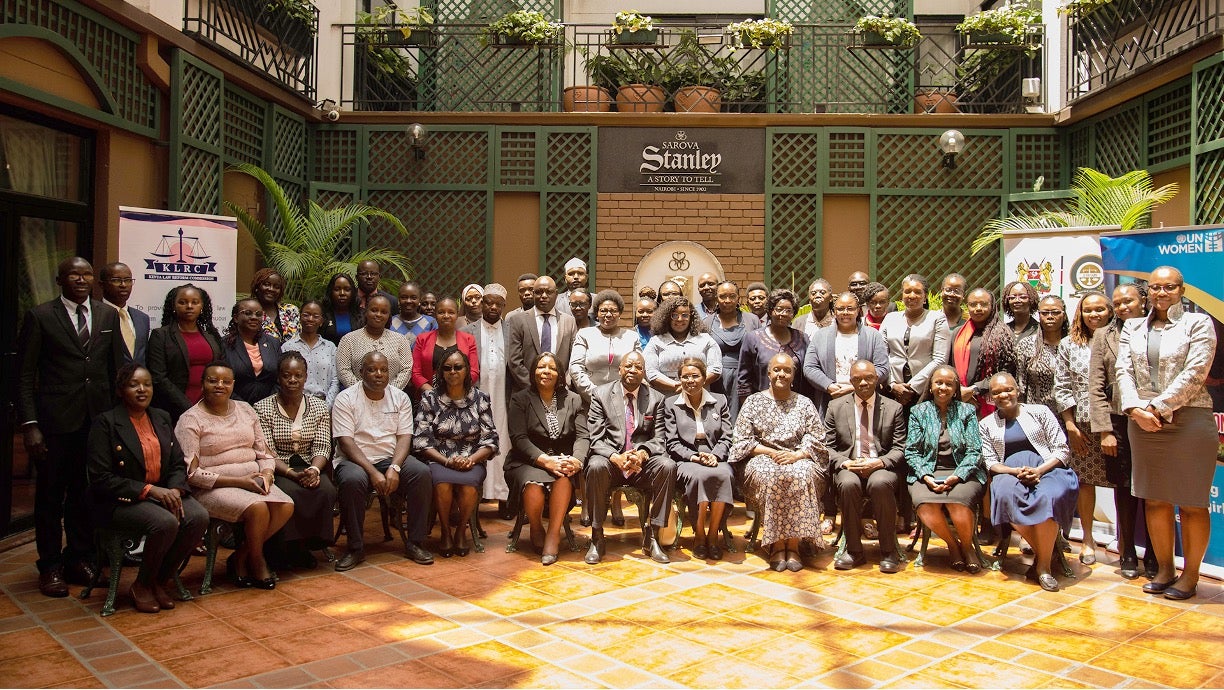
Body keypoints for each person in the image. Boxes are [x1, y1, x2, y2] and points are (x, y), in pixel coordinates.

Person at [18, 257, 124, 596]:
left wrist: (117, 420)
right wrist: (30, 424)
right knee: (50, 496)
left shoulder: (107, 314)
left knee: (85, 493)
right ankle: (49, 566)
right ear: (60, 279)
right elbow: (24, 376)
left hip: (96, 422)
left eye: (86, 274)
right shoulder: (41, 316)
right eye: (73, 274)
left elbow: (114, 369)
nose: (81, 279)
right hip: (54, 423)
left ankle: (79, 557)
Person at [1116, 266, 1217, 599]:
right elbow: (1123, 372)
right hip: (1142, 422)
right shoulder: (1132, 326)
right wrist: (1134, 409)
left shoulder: (1198, 323)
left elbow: (1196, 371)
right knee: (1155, 500)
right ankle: (1164, 569)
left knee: (1191, 504)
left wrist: (1157, 407)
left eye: (1169, 287)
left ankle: (1190, 576)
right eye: (1155, 287)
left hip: (1188, 420)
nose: (1161, 293)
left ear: (1182, 290)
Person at [86, 364, 209, 612]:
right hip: (120, 500)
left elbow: (176, 462)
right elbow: (101, 478)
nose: (142, 390)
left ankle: (159, 580)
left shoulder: (161, 417)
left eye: (148, 384)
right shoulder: (106, 423)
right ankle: (141, 585)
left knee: (198, 516)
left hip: (163, 492)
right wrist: (150, 491)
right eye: (134, 385)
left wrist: (175, 489)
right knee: (164, 522)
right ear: (121, 390)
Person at [175, 361, 294, 589]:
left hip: (253, 481)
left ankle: (240, 556)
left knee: (285, 505)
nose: (220, 385)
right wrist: (240, 482)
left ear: (233, 385)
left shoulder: (246, 409)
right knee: (258, 508)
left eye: (226, 381)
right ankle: (256, 561)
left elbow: (264, 452)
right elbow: (191, 474)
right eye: (213, 381)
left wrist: (267, 474)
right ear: (202, 384)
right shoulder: (190, 420)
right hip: (213, 487)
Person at [331, 352, 434, 570]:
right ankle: (355, 548)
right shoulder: (346, 398)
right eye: (372, 369)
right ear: (361, 373)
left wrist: (395, 467)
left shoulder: (400, 397)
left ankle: (415, 542)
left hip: (390, 458)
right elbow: (346, 442)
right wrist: (372, 472)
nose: (379, 374)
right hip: (355, 460)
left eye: (384, 370)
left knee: (421, 473)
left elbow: (405, 437)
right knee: (352, 480)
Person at [731, 353, 831, 572]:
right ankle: (776, 545)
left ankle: (793, 545)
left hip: (798, 456)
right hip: (762, 458)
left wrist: (797, 455)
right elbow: (741, 440)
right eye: (777, 369)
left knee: (802, 474)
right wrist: (769, 452)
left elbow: (817, 439)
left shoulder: (804, 403)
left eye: (787, 370)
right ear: (769, 373)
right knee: (771, 475)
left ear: (793, 375)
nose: (781, 374)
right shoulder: (753, 402)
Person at [980, 372, 1079, 592]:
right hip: (1009, 473)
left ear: (1018, 390)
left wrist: (1039, 470)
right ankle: (1048, 551)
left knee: (1048, 496)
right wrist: (1014, 471)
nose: (1003, 395)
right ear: (990, 398)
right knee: (1005, 496)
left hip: (1048, 468)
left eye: (1008, 389)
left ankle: (1043, 567)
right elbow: (989, 461)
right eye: (996, 392)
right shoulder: (986, 424)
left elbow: (1061, 449)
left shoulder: (1040, 412)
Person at [1087, 283, 1155, 579]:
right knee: (1124, 489)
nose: (1123, 306)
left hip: (1155, 420)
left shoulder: (1158, 331)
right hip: (1119, 422)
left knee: (1155, 489)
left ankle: (1155, 553)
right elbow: (1096, 386)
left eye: (1128, 301)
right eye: (1118, 302)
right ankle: (1128, 551)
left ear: (1143, 300)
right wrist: (1105, 430)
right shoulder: (1104, 336)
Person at [584, 352, 676, 565]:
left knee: (667, 465)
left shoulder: (656, 398)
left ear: (643, 372)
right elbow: (596, 438)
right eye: (628, 366)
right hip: (612, 463)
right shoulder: (601, 394)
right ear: (620, 369)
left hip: (640, 464)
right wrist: (615, 457)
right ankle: (597, 536)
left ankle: (654, 535)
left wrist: (642, 454)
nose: (633, 370)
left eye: (638, 367)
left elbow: (659, 439)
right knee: (595, 465)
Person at [253, 352, 339, 570]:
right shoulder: (262, 407)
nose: (292, 380)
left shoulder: (319, 406)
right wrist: (291, 473)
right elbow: (266, 451)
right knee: (290, 492)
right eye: (286, 375)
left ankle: (307, 547)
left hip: (310, 465)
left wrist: (314, 470)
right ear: (278, 378)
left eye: (298, 375)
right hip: (278, 467)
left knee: (326, 490)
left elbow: (322, 445)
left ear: (306, 377)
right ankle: (284, 550)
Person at [413, 348, 498, 558]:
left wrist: (469, 459)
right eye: (447, 368)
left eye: (458, 367)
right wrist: (447, 461)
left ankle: (460, 531)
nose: (453, 372)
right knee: (442, 484)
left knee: (469, 487)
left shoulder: (481, 398)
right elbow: (421, 440)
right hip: (439, 459)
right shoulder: (429, 399)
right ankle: (445, 532)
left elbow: (491, 440)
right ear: (441, 372)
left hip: (472, 458)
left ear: (467, 370)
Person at [506, 352, 589, 565]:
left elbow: (582, 436)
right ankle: (535, 527)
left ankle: (553, 534)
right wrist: (544, 460)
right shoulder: (520, 398)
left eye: (552, 368)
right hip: (528, 459)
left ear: (560, 374)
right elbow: (519, 438)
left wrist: (577, 461)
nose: (546, 372)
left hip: (563, 459)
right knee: (533, 485)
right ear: (533, 372)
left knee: (562, 479)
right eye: (541, 367)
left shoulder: (573, 399)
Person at [824, 360, 906, 573]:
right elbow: (827, 448)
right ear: (850, 381)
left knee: (880, 483)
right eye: (857, 379)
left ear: (876, 379)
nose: (863, 383)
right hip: (849, 465)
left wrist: (879, 462)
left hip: (881, 466)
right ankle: (854, 551)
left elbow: (900, 448)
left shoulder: (893, 407)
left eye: (868, 377)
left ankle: (888, 552)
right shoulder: (835, 407)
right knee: (848, 485)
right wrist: (846, 462)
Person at [904, 365, 986, 573]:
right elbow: (911, 451)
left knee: (958, 503)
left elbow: (975, 451)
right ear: (930, 386)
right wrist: (926, 476)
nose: (943, 387)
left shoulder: (967, 411)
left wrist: (957, 476)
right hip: (928, 472)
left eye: (949, 384)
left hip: (963, 472)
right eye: (938, 382)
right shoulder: (918, 412)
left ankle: (967, 549)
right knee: (925, 505)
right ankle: (953, 545)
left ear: (956, 388)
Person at [1053, 292, 1114, 567]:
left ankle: (1125, 542)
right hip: (1082, 426)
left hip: (1117, 422)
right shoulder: (1069, 345)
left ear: (1110, 311)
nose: (1094, 314)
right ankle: (1088, 539)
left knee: (1121, 485)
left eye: (1100, 309)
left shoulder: (1121, 340)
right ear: (1080, 313)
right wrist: (1070, 425)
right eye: (1088, 310)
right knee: (1085, 483)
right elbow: (1062, 386)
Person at [663, 358, 734, 560]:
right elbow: (672, 442)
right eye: (685, 376)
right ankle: (700, 536)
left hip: (715, 455)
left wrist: (715, 455)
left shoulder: (719, 400)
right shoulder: (671, 404)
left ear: (704, 378)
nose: (690, 380)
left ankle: (713, 535)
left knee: (724, 475)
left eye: (695, 376)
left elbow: (727, 436)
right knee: (699, 477)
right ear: (680, 380)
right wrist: (694, 457)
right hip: (687, 458)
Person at [461, 284, 512, 511]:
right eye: (487, 302)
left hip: (504, 394)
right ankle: (478, 495)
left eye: (497, 304)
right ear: (481, 304)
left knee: (503, 441)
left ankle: (503, 496)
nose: (492, 307)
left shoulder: (512, 328)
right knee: (477, 441)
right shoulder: (467, 331)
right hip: (476, 396)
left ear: (503, 306)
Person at [148, 284, 226, 422]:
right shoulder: (160, 335)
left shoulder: (211, 336)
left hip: (211, 406)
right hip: (174, 408)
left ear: (202, 306)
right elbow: (158, 378)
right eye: (182, 302)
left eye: (195, 302)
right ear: (173, 306)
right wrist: (188, 407)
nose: (189, 306)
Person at [803, 291, 889, 416]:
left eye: (850, 308)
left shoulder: (873, 336)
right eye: (840, 309)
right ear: (834, 311)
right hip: (830, 398)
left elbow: (883, 368)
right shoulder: (821, 336)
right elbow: (810, 367)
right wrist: (829, 386)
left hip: (864, 399)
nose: (845, 312)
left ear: (858, 310)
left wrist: (857, 388)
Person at [880, 274, 948, 407]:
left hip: (924, 392)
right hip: (892, 392)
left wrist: (911, 388)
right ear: (902, 294)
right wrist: (893, 385)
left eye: (917, 292)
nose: (912, 295)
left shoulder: (937, 319)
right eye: (907, 291)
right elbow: (881, 355)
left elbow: (940, 359)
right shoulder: (890, 318)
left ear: (925, 296)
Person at [947, 288, 1015, 414]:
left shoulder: (1003, 334)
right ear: (967, 306)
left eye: (983, 304)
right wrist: (960, 391)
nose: (978, 308)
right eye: (973, 304)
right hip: (960, 398)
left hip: (992, 399)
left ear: (992, 306)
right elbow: (950, 366)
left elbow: (1006, 370)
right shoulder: (958, 333)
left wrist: (974, 389)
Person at [570, 290, 641, 405]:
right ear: (597, 313)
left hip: (623, 399)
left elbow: (639, 369)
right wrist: (594, 394)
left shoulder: (632, 337)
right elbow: (575, 367)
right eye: (603, 311)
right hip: (590, 399)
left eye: (613, 311)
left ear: (620, 313)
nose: (608, 315)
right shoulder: (584, 334)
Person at [739, 289, 810, 405]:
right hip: (761, 405)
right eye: (779, 309)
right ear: (770, 311)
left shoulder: (802, 339)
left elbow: (808, 374)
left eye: (789, 310)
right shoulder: (753, 338)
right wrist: (748, 406)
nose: (783, 314)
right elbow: (744, 379)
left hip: (795, 406)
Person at [507, 276, 577, 392]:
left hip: (560, 392)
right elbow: (515, 361)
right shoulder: (518, 320)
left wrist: (563, 384)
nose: (544, 296)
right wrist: (533, 387)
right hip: (527, 393)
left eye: (548, 292)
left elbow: (574, 359)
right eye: (539, 292)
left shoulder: (569, 321)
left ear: (556, 294)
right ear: (534, 294)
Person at [704, 280, 760, 420]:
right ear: (716, 298)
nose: (727, 300)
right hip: (716, 378)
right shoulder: (706, 323)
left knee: (744, 416)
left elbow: (760, 349)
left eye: (732, 296)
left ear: (738, 298)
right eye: (722, 296)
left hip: (746, 378)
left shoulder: (752, 320)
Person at [643, 296, 721, 395]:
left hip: (699, 398)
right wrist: (678, 386)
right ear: (667, 317)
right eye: (674, 315)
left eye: (685, 315)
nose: (680, 319)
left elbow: (716, 368)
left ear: (691, 317)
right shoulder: (656, 342)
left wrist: (695, 384)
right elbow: (651, 373)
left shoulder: (705, 339)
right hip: (666, 400)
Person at [337, 294, 413, 392]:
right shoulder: (348, 340)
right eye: (374, 310)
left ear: (389, 316)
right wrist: (363, 391)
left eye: (384, 312)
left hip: (391, 398)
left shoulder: (401, 340)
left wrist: (388, 392)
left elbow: (406, 369)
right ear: (366, 312)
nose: (378, 314)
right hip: (357, 398)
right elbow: (343, 370)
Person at [412, 296, 479, 395]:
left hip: (460, 396)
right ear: (435, 315)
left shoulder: (468, 339)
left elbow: (474, 371)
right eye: (441, 312)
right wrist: (432, 393)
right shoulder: (422, 339)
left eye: (451, 312)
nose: (446, 316)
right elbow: (416, 373)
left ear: (457, 315)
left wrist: (456, 391)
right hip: (428, 397)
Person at [1014, 295, 1067, 414]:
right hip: (1036, 415)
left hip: (1068, 417)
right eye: (1045, 313)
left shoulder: (1072, 345)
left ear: (1064, 316)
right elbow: (1020, 386)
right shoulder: (1027, 345)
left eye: (1055, 312)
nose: (1050, 316)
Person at [280, 300, 339, 406]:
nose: (310, 319)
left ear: (321, 321)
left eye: (315, 316)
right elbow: (282, 379)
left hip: (324, 405)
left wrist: (326, 407)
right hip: (294, 405)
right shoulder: (288, 347)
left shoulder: (330, 347)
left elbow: (335, 380)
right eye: (306, 315)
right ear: (300, 317)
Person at [224, 299, 281, 404]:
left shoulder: (273, 343)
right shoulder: (224, 345)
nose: (254, 317)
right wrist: (243, 407)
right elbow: (222, 382)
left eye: (258, 314)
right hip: (234, 407)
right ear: (236, 318)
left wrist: (267, 405)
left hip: (269, 408)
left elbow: (279, 378)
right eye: (248, 313)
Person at [100, 262, 150, 365]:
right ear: (102, 284)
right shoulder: (95, 316)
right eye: (116, 280)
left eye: (128, 280)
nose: (123, 285)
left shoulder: (142, 318)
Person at [250, 268, 299, 341]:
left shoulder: (291, 310)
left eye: (276, 287)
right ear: (257, 287)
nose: (271, 289)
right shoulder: (249, 312)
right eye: (267, 284)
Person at [320, 272, 363, 345]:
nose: (342, 293)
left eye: (347, 289)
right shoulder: (322, 315)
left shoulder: (362, 314)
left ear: (353, 292)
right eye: (337, 289)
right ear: (330, 291)